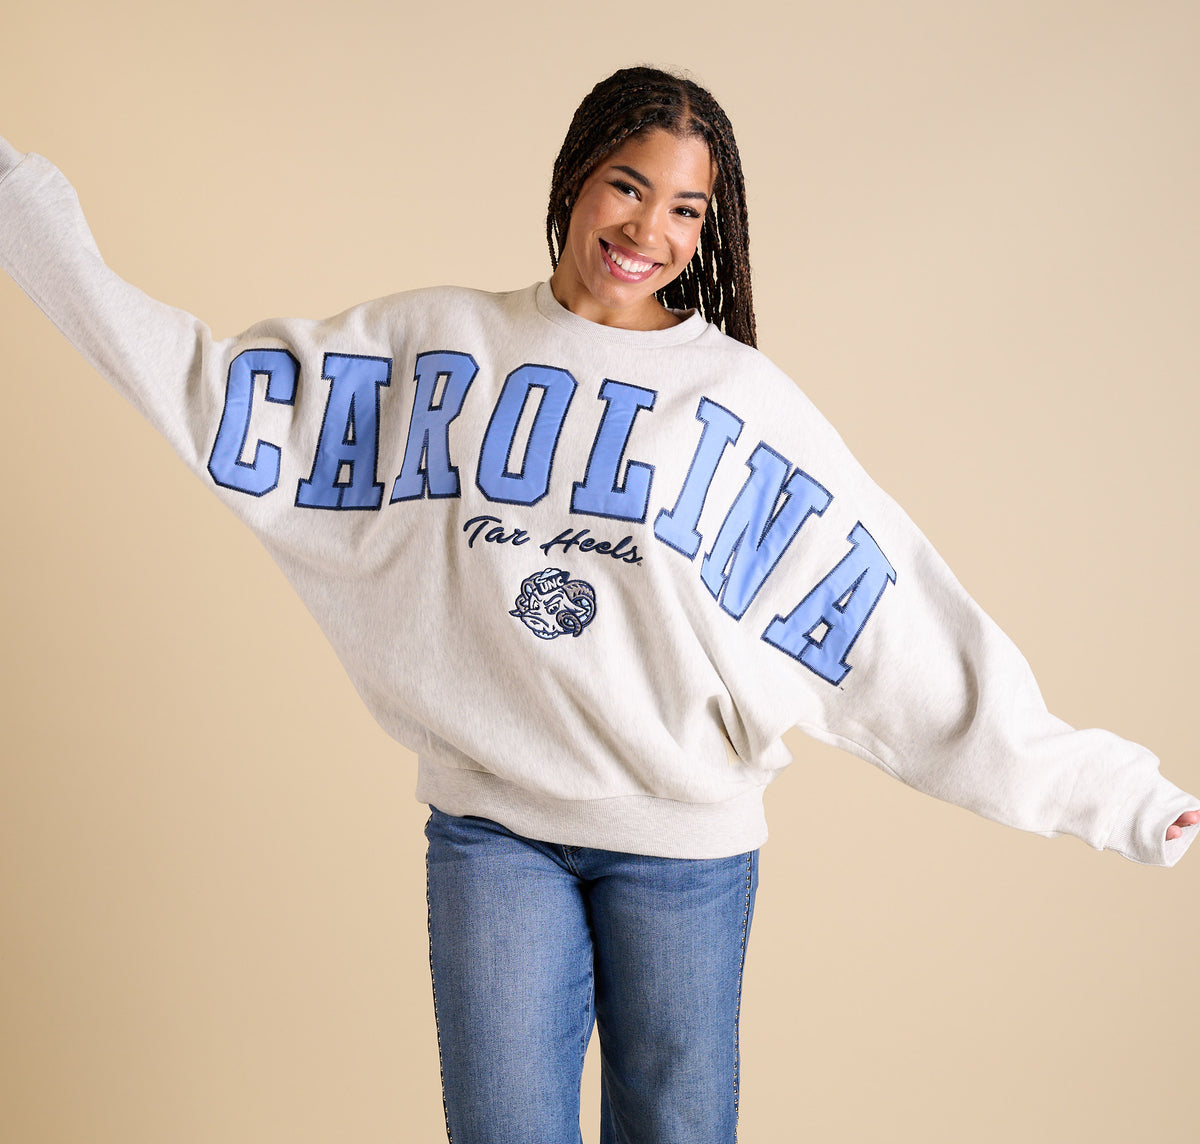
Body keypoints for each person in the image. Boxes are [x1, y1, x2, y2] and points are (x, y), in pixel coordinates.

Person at [0, 66, 1196, 1144]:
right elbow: (215, 395)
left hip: (683, 847)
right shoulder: (445, 344)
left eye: (687, 209)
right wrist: (21, 203)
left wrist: (1120, 797)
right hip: (493, 829)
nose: (649, 230)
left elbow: (894, 624)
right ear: (576, 178)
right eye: (629, 186)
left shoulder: (737, 399)